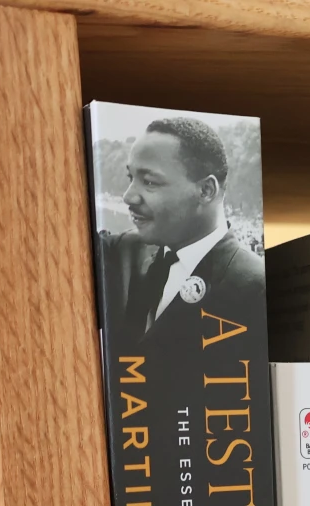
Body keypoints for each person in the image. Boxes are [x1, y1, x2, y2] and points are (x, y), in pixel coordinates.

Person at [97, 115, 264, 354]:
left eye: (150, 182)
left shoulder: (254, 288)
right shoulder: (122, 251)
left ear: (206, 190)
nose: (128, 196)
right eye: (130, 178)